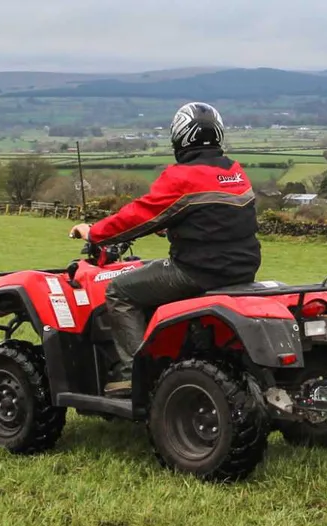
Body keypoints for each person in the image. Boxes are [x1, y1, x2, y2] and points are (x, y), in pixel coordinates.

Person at [69, 102, 260, 397]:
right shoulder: (234, 172)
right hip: (242, 268)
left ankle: (134, 373)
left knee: (120, 291)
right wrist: (172, 227)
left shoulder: (181, 176)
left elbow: (138, 215)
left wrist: (94, 233)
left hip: (197, 271)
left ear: (180, 137)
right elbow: (216, 218)